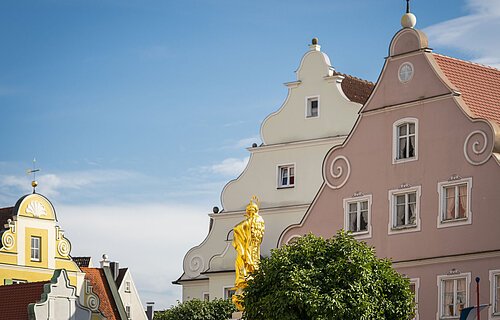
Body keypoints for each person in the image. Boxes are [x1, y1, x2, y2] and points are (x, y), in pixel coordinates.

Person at [231, 196, 265, 311]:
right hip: (252, 253)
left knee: (241, 265)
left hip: (247, 252)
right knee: (246, 266)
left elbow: (236, 228)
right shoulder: (259, 222)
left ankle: (244, 282)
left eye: (249, 212)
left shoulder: (250, 222)